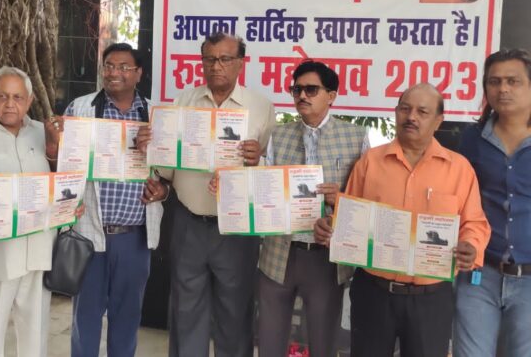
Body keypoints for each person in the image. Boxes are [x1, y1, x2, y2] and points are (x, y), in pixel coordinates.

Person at [314, 83, 490, 357]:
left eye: (422, 111)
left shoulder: (459, 169)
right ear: (396, 113)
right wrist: (330, 227)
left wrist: (471, 245)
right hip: (374, 293)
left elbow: (474, 223)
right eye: (405, 109)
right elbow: (349, 216)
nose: (411, 117)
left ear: (438, 120)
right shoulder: (370, 162)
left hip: (431, 299)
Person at [137, 32, 276, 357]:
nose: (217, 66)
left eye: (225, 59)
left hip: (237, 230)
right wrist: (151, 152)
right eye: (210, 59)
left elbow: (272, 173)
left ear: (240, 63)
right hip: (188, 224)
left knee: (235, 315)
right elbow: (167, 169)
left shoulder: (261, 107)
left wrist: (257, 160)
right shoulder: (183, 103)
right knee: (186, 313)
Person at [0, 66, 81, 357]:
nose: (10, 104)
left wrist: (69, 204)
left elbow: (62, 180)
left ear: (29, 101)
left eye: (18, 97)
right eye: (2, 96)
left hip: (38, 252)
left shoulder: (43, 134)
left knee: (35, 339)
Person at [46, 43, 168, 357]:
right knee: (84, 319)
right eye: (109, 66)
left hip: (134, 238)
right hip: (89, 234)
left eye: (124, 67)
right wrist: (53, 145)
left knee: (127, 319)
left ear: (139, 73)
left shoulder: (156, 115)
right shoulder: (80, 109)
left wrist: (162, 189)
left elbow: (169, 173)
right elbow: (62, 167)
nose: (114, 72)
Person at [257, 60, 368, 357]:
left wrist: (339, 199)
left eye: (311, 89)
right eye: (297, 90)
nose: (302, 96)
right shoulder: (278, 135)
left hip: (326, 258)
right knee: (269, 342)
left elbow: (367, 201)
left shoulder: (356, 137)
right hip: (279, 252)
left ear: (331, 95)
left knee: (323, 343)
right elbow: (263, 189)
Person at [453, 49, 531, 357]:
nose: (503, 89)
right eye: (494, 81)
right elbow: (459, 199)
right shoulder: (472, 139)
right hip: (479, 273)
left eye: (513, 81)